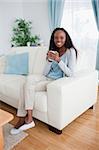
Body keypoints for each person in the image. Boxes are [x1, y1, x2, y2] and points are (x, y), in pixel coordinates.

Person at [10, 27, 78, 134]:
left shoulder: (71, 52)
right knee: (26, 81)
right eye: (56, 38)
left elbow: (71, 74)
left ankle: (26, 119)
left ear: (66, 38)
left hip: (55, 82)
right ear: (53, 39)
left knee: (26, 86)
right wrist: (49, 60)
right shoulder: (52, 50)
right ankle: (27, 118)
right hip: (47, 77)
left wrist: (59, 60)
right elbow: (45, 73)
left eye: (61, 37)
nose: (58, 40)